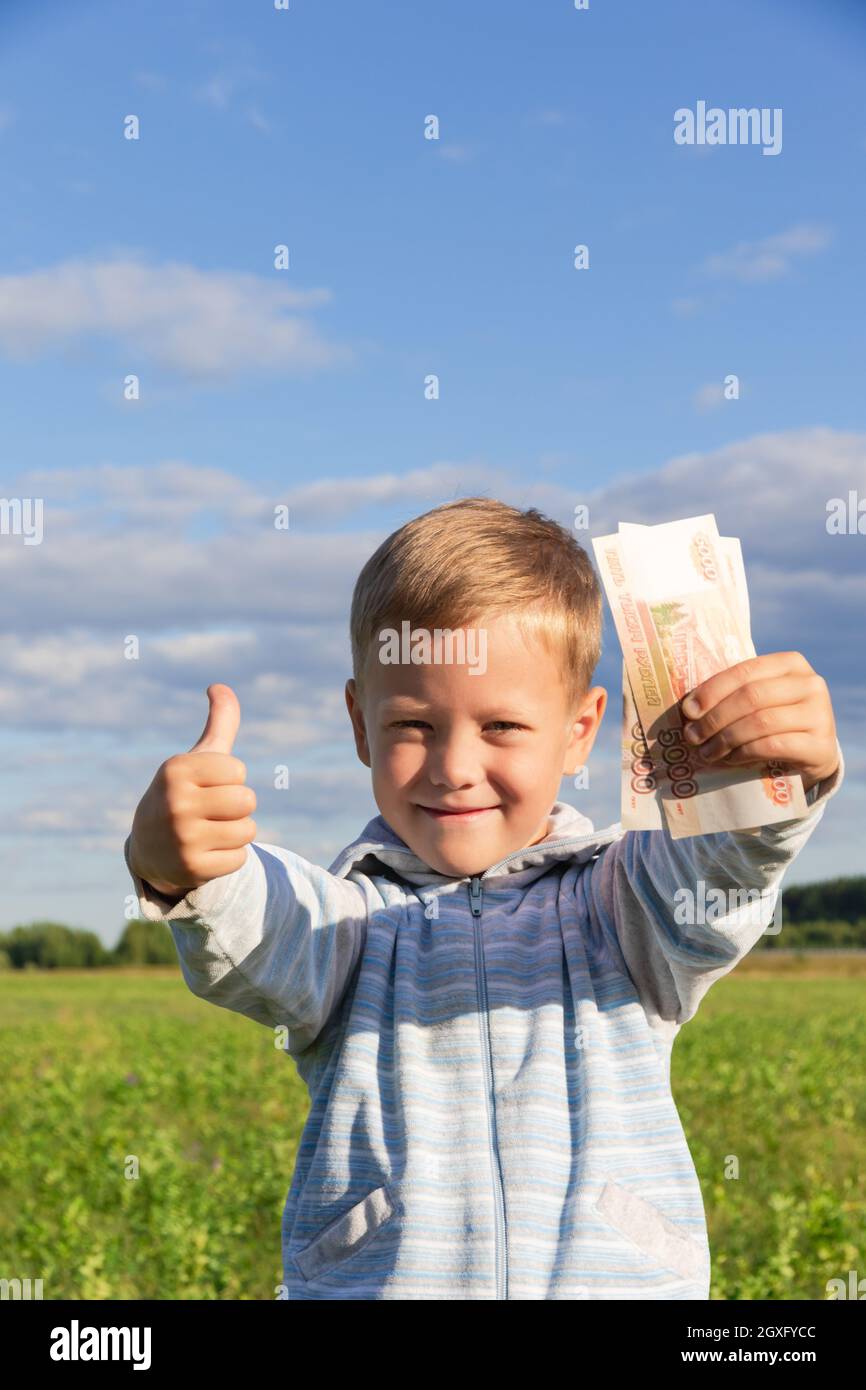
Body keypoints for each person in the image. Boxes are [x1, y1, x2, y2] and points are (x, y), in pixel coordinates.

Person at [124, 496, 844, 1300]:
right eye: (413, 726)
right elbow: (264, 914)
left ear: (579, 731)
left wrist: (773, 783)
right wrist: (184, 864)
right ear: (361, 724)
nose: (454, 766)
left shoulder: (622, 908)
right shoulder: (350, 927)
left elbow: (718, 865)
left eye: (501, 725)